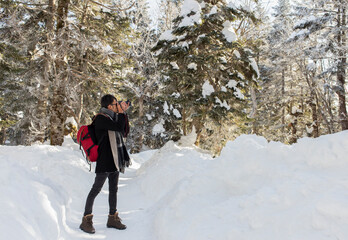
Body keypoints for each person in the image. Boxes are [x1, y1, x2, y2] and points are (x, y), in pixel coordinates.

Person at [80, 94, 131, 234]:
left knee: (113, 190)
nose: (117, 105)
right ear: (109, 106)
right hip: (104, 161)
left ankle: (112, 218)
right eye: (116, 104)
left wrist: (123, 113)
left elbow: (125, 130)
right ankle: (86, 220)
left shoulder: (112, 118)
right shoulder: (101, 118)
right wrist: (120, 114)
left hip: (114, 160)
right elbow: (118, 128)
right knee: (96, 190)